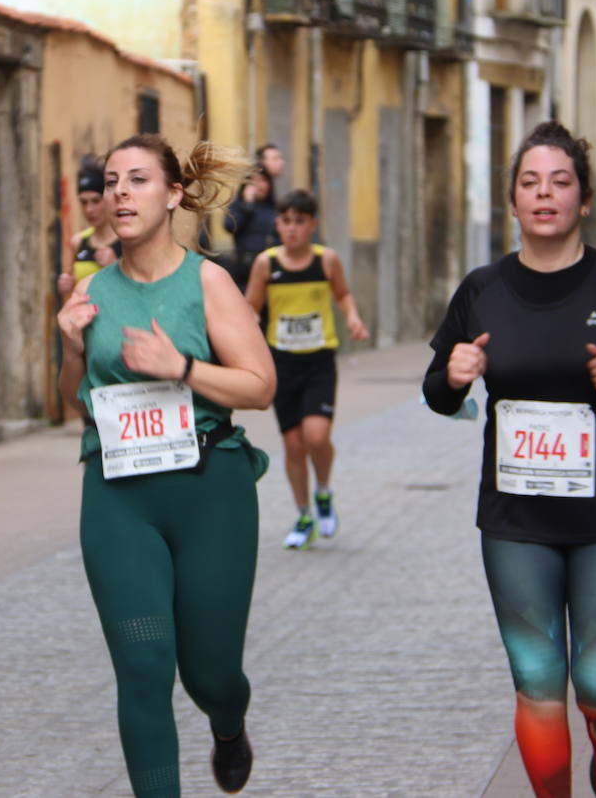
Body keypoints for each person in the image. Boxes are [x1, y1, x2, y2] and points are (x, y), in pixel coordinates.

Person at [422, 121, 596, 798]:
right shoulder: (482, 290)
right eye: (530, 183)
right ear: (511, 200)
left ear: (584, 200)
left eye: (561, 183)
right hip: (516, 521)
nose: (545, 195)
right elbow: (436, 394)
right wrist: (454, 374)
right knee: (538, 680)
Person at [56, 134, 275, 797]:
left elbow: (260, 385)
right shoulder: (90, 289)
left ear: (174, 194)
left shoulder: (206, 280)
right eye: (112, 180)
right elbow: (76, 402)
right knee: (144, 666)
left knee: (208, 675)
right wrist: (69, 345)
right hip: (119, 493)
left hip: (210, 491)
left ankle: (229, 719)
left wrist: (180, 366)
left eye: (138, 179)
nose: (120, 191)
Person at [244, 189, 368, 549]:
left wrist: (354, 318)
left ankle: (324, 491)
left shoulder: (325, 260)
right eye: (286, 221)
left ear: (312, 225)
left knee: (316, 436)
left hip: (318, 361)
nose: (292, 229)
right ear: (278, 224)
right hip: (282, 362)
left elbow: (343, 294)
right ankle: (303, 514)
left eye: (300, 221)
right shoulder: (266, 264)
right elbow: (252, 308)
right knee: (294, 445)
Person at [57, 155, 122, 295]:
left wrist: (116, 267)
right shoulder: (78, 241)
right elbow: (74, 293)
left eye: (95, 201)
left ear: (108, 198)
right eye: (83, 202)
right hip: (87, 317)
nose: (89, 210)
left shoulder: (128, 239)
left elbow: (144, 289)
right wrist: (67, 286)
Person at [222, 166, 277, 289]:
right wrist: (247, 205)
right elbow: (229, 226)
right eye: (253, 181)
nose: (258, 185)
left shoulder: (273, 208)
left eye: (263, 180)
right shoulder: (239, 206)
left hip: (270, 266)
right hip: (245, 269)